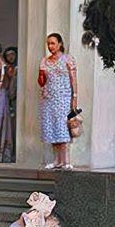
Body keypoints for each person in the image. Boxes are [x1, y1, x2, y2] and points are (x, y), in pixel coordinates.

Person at [38, 33, 78, 170]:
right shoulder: (45, 61)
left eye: (53, 43)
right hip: (48, 98)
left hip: (63, 98)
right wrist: (41, 74)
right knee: (51, 128)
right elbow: (41, 81)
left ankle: (66, 160)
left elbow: (73, 80)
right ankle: (57, 161)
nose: (50, 46)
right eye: (48, 44)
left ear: (60, 44)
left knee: (63, 127)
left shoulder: (68, 59)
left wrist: (74, 98)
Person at [4, 46, 18, 145]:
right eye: (8, 55)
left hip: (16, 98)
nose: (10, 57)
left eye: (12, 54)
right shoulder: (5, 68)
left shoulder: (19, 68)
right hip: (7, 99)